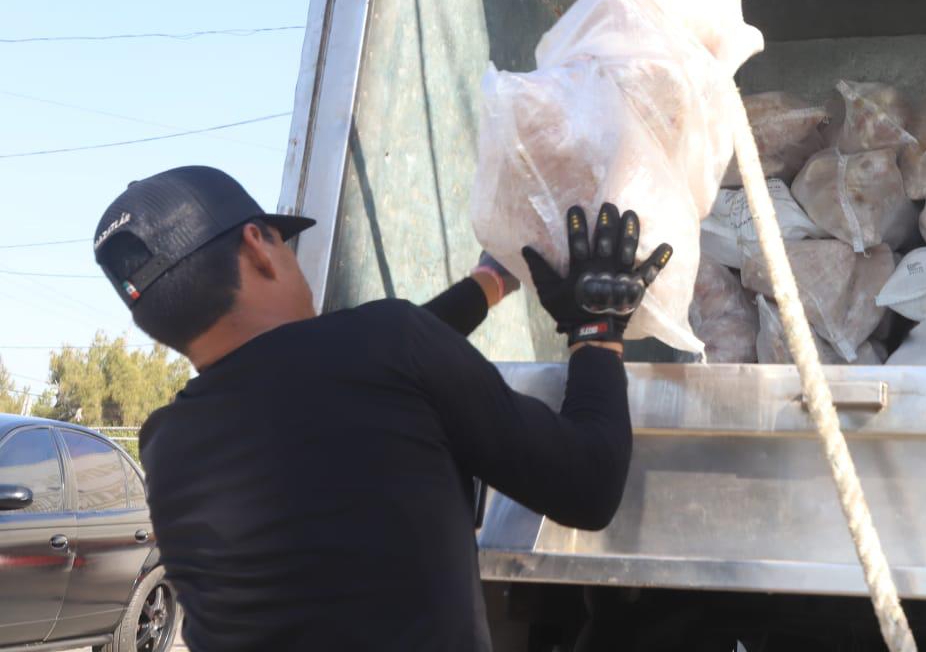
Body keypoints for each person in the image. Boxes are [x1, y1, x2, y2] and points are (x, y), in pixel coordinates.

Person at [91, 165, 672, 650]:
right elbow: (588, 485)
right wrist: (597, 333)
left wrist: (488, 284)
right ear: (258, 248)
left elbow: (352, 371)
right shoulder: (386, 349)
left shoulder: (166, 446)